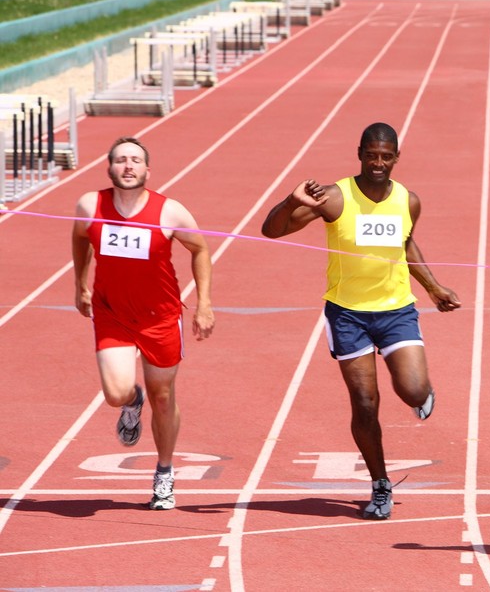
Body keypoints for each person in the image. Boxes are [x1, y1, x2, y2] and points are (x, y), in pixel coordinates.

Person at [261, 122, 461, 521]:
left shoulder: (408, 200)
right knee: (365, 404)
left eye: (386, 156)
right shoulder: (335, 198)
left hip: (395, 311)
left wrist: (434, 287)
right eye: (372, 155)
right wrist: (290, 200)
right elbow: (271, 231)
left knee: (413, 389)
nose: (378, 163)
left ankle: (422, 392)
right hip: (347, 314)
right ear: (360, 154)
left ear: (396, 159)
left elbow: (405, 243)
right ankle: (380, 483)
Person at [72, 136, 215, 511]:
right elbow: (79, 238)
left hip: (160, 317)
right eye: (121, 160)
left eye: (135, 160)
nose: (128, 166)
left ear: (147, 170)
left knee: (164, 398)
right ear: (110, 168)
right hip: (113, 314)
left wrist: (204, 303)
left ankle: (164, 472)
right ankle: (131, 403)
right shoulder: (91, 205)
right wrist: (80, 285)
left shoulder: (170, 212)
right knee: (115, 393)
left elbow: (200, 248)